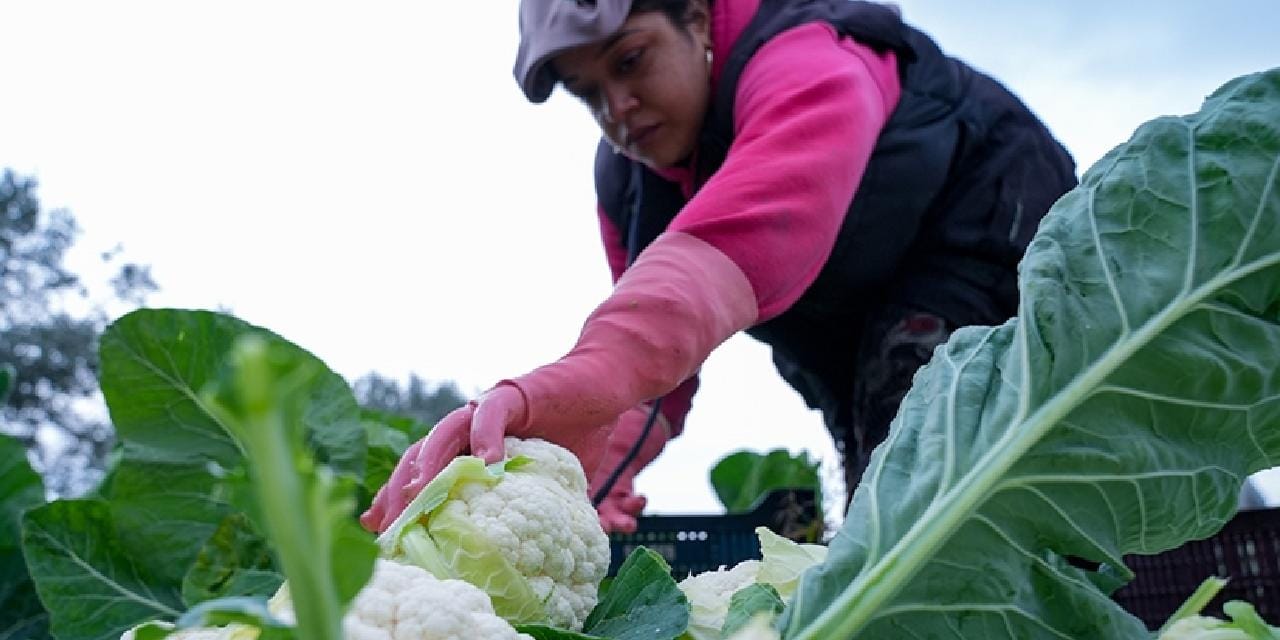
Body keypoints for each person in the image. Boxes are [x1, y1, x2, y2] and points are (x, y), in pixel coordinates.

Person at [360, 0, 1077, 536]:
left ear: (698, 18)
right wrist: (580, 474)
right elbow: (651, 373)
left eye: (629, 62)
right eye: (588, 93)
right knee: (882, 485)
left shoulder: (809, 61)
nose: (617, 108)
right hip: (850, 337)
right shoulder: (629, 182)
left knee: (955, 487)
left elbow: (744, 236)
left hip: (995, 242)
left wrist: (582, 374)